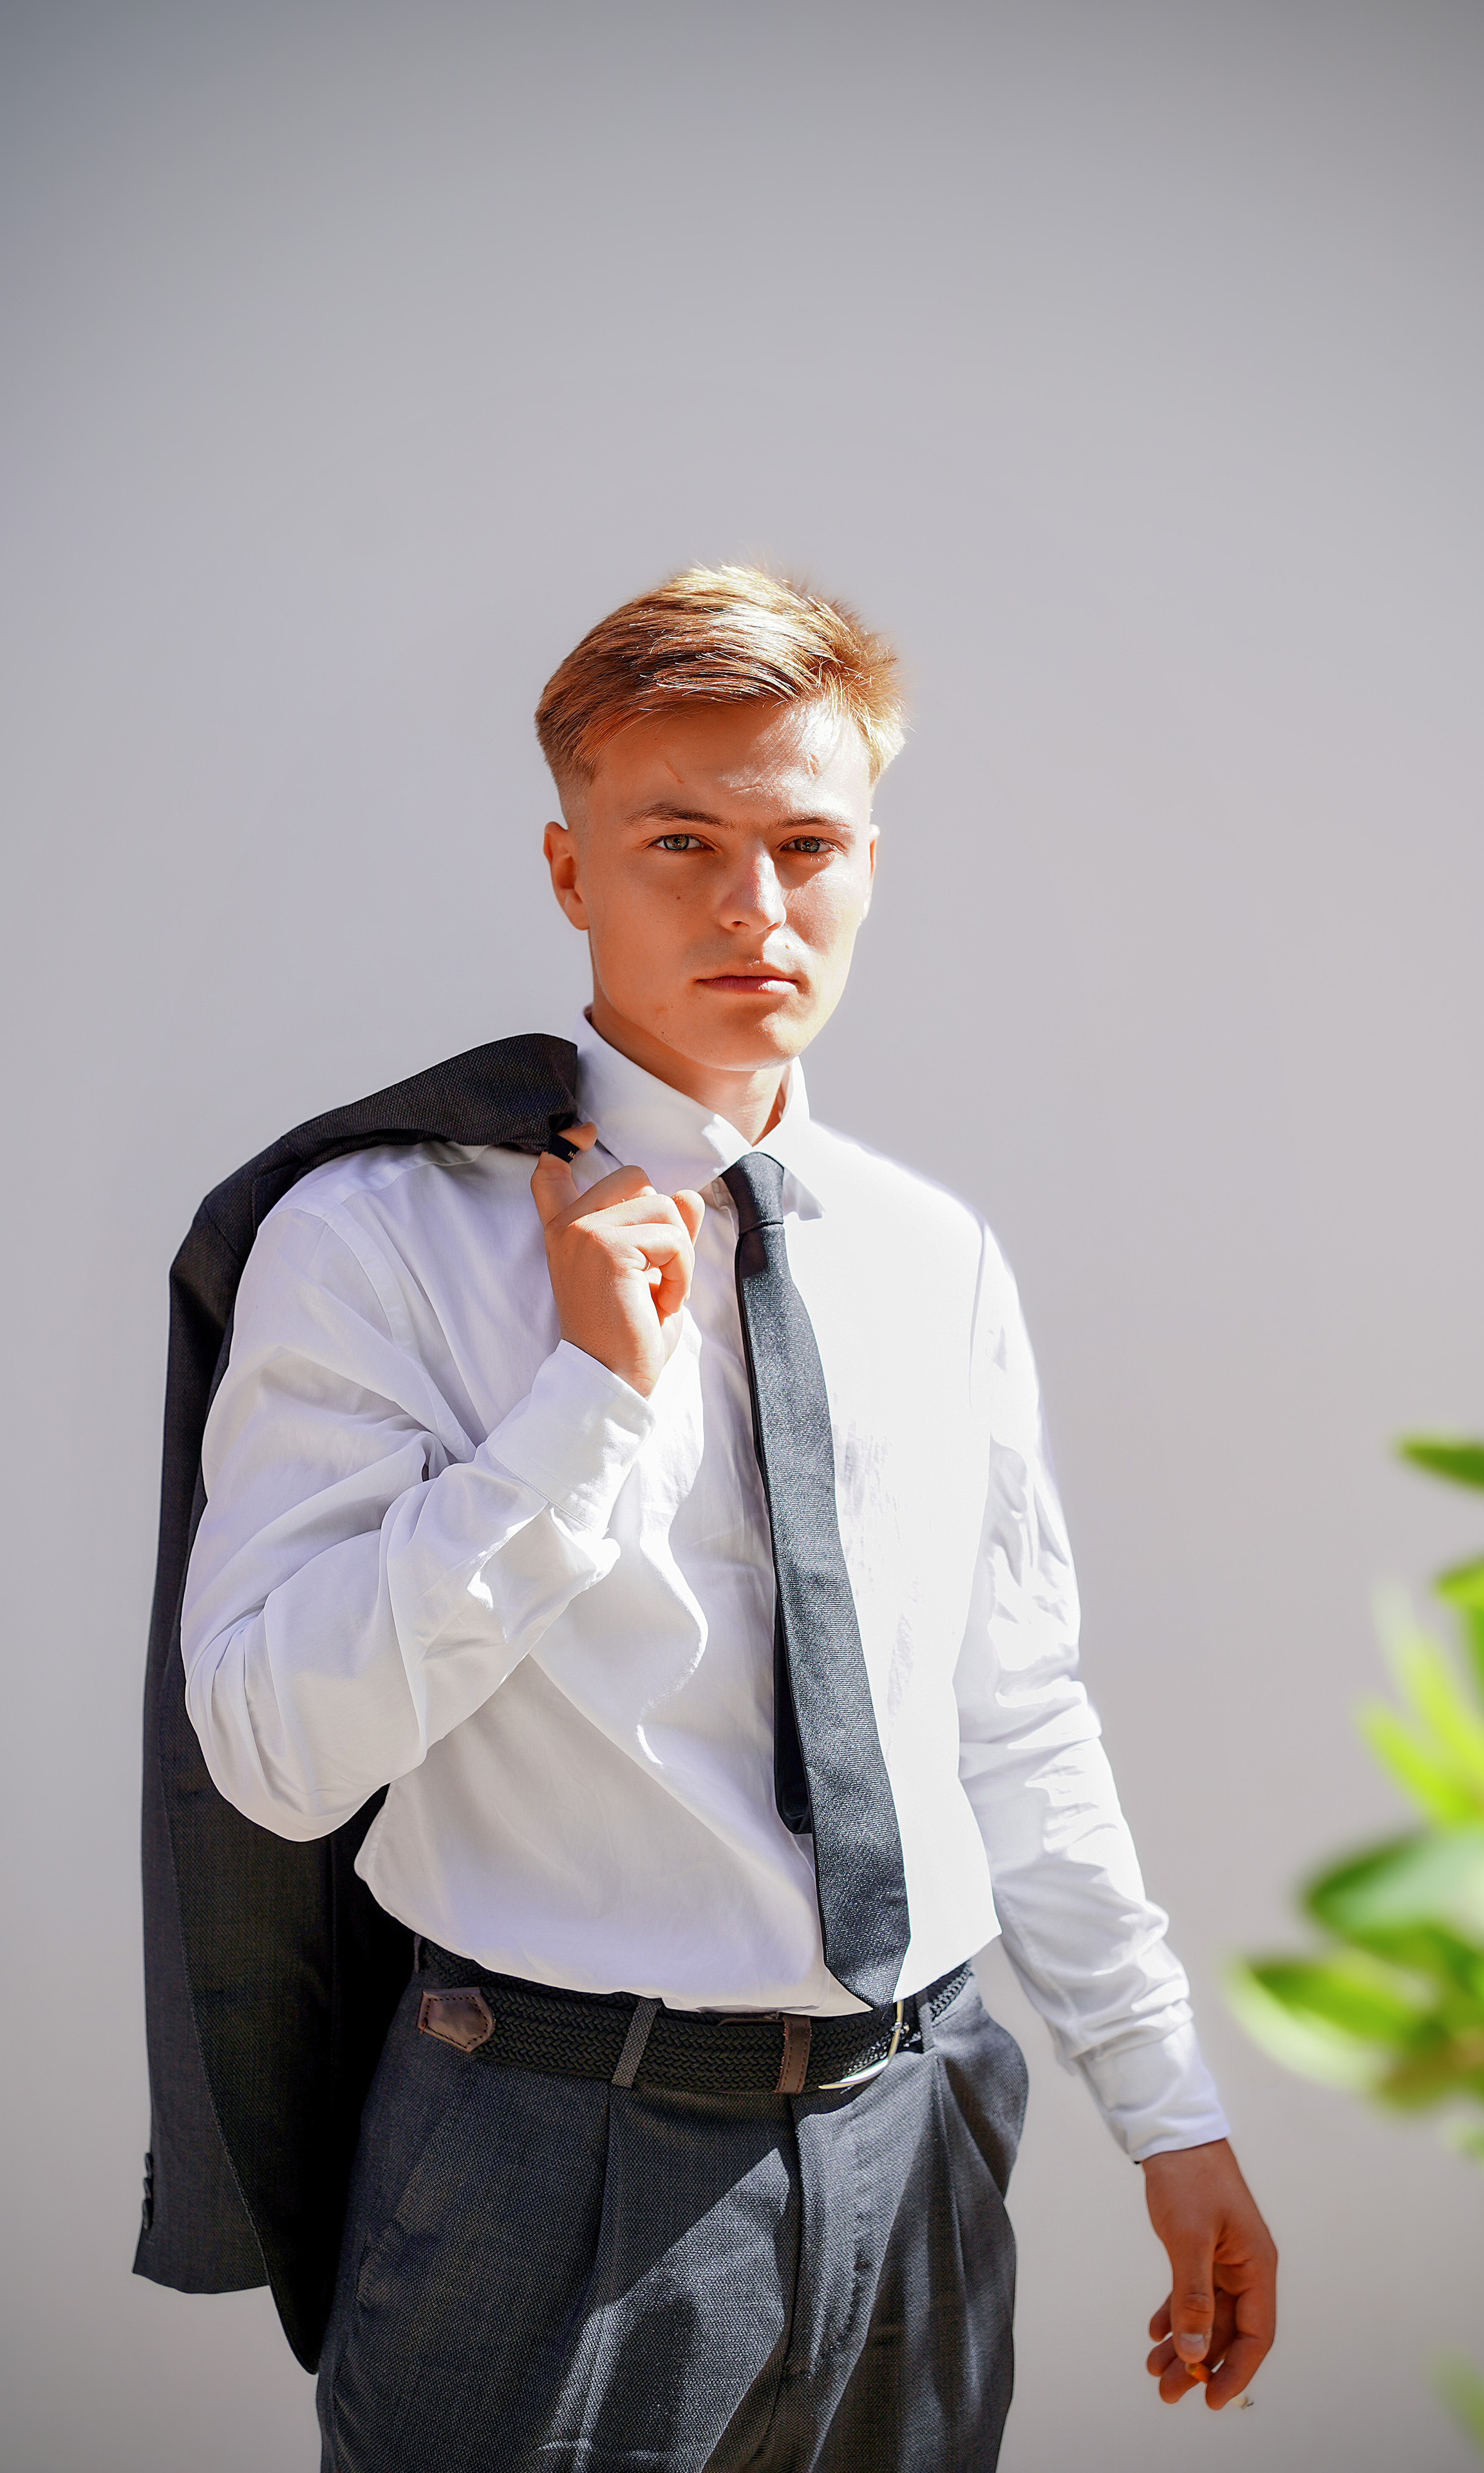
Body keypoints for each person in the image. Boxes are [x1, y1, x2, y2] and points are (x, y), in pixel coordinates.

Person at [178, 565, 1277, 2471]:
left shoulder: (931, 1256)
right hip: (549, 2159)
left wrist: (1165, 2103)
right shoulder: (375, 1240)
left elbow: (1012, 1714)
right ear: (568, 869)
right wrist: (587, 1410)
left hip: (922, 2136)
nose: (754, 907)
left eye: (807, 845)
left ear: (870, 867)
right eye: (679, 840)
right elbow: (273, 1752)